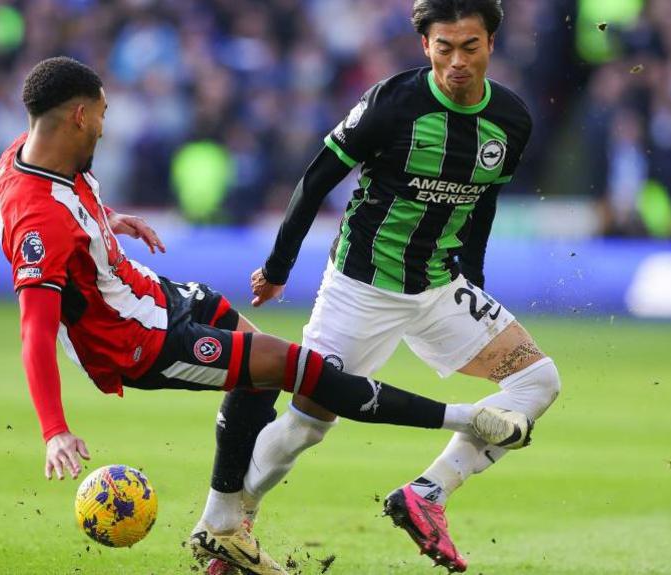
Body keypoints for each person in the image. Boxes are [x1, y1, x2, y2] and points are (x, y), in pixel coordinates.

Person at [0, 56, 532, 575]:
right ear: (80, 115)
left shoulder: (30, 151)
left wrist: (108, 220)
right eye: (104, 114)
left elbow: (67, 212)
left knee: (259, 375)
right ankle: (465, 418)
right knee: (300, 369)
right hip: (135, 341)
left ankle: (223, 527)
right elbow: (35, 330)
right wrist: (55, 431)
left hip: (153, 295)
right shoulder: (37, 220)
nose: (106, 128)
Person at [214, 1, 564, 572]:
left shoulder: (512, 120)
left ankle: (427, 494)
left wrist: (472, 282)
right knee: (307, 425)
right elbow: (318, 177)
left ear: (491, 45)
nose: (456, 62)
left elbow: (482, 203)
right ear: (425, 45)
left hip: (437, 287)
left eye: (469, 47)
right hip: (360, 288)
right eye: (443, 48)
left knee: (538, 382)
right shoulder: (392, 103)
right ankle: (232, 522)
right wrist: (278, 267)